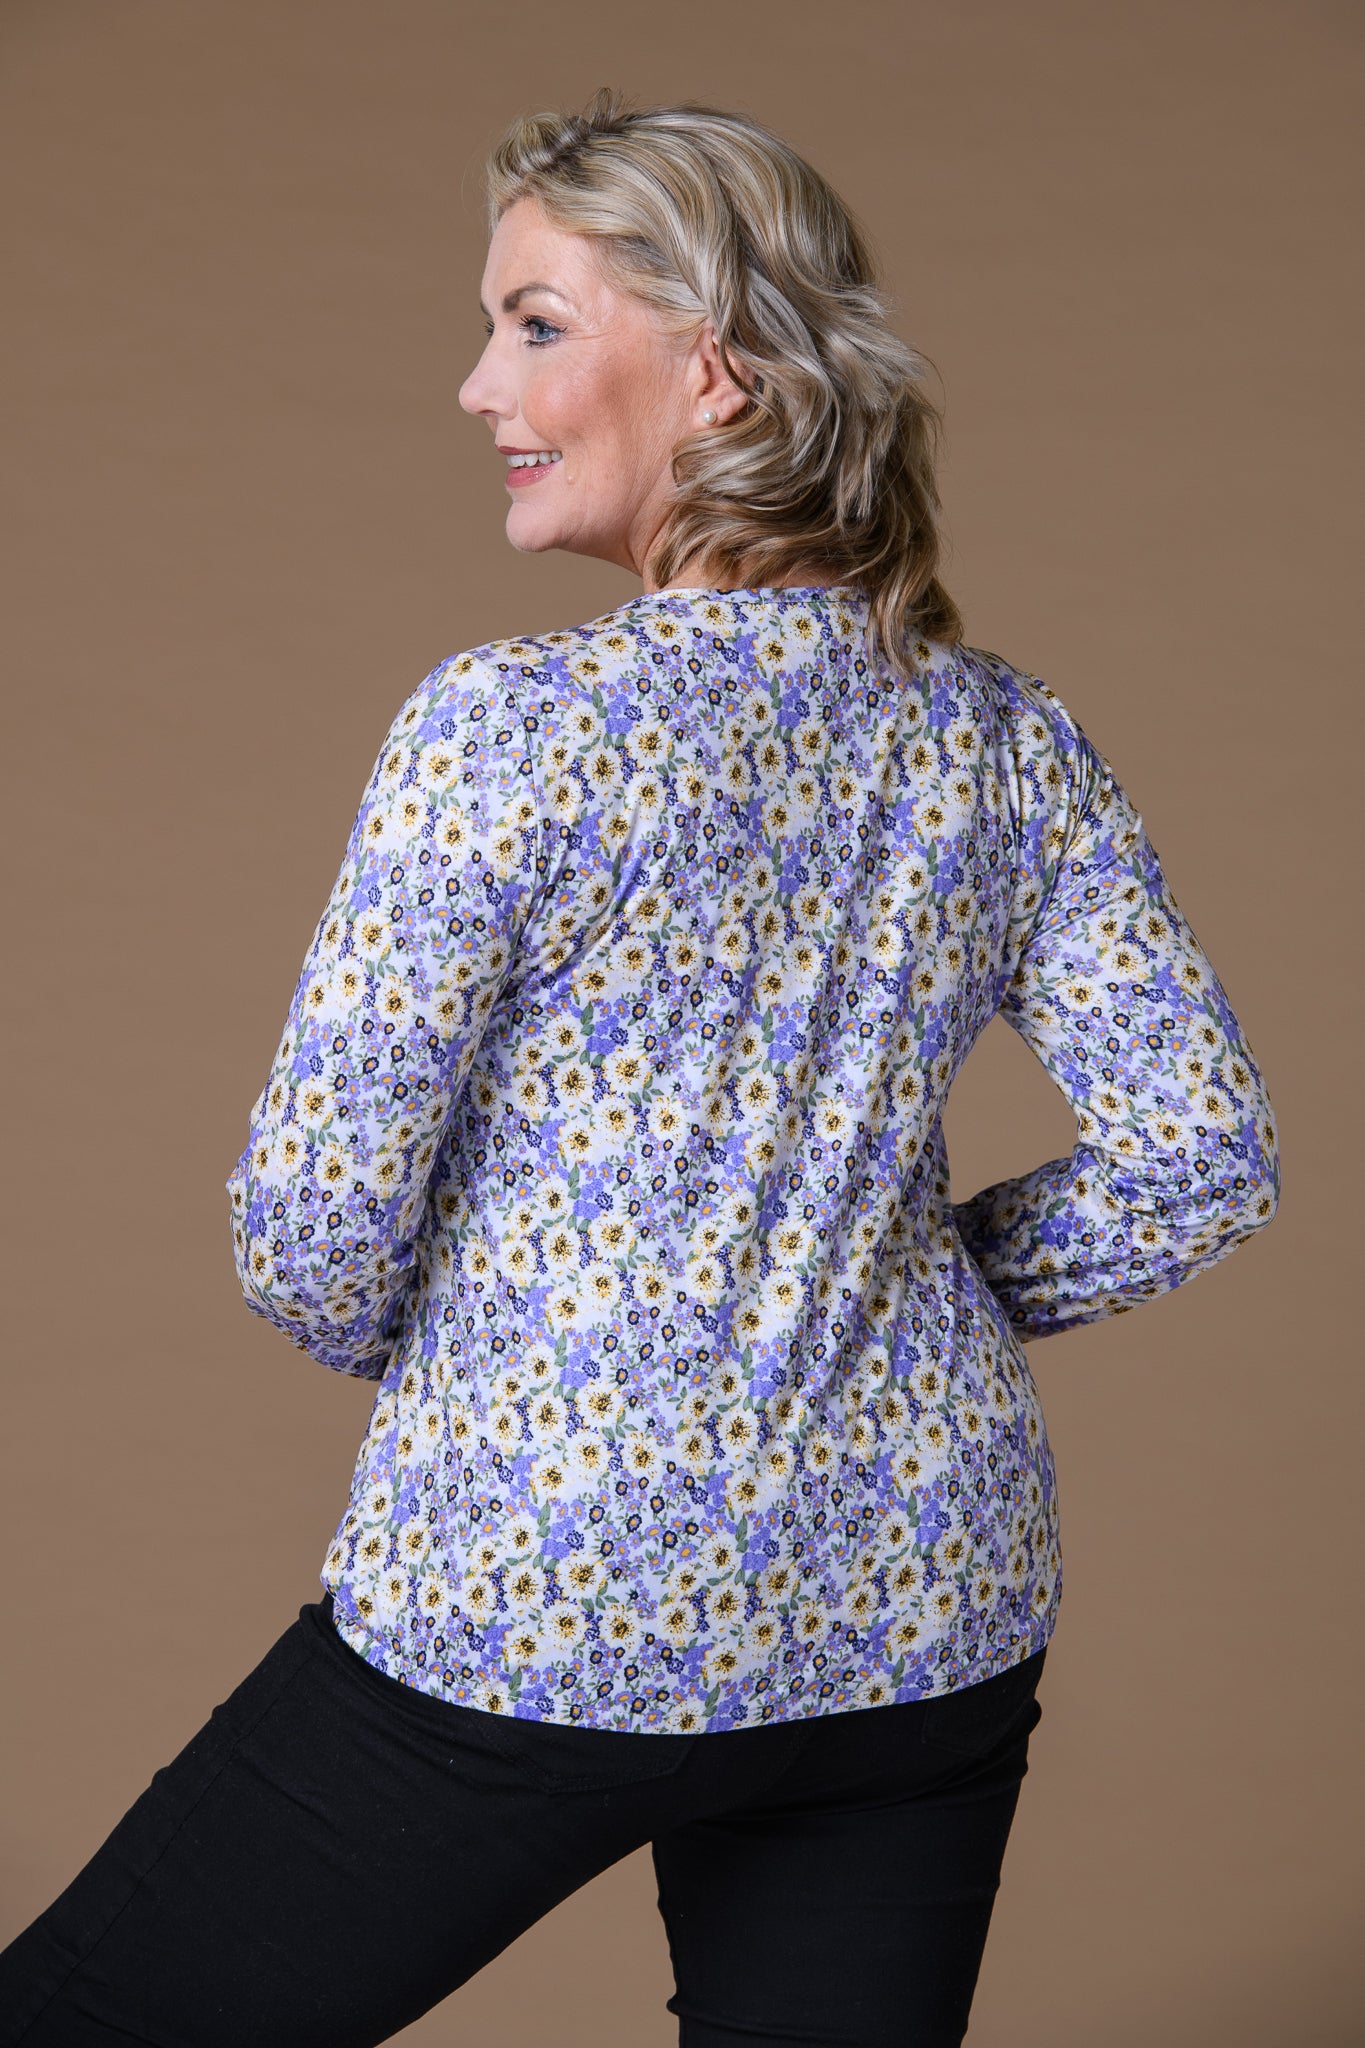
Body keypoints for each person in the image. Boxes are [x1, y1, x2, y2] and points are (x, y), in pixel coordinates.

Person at [0, 86, 1280, 2048]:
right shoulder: (1006, 741)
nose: (474, 385)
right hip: (920, 1601)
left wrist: (531, 1361)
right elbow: (1200, 1159)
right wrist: (892, 1295)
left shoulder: (506, 726)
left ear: (717, 371)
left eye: (532, 324)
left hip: (544, 1585)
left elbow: (312, 1231)